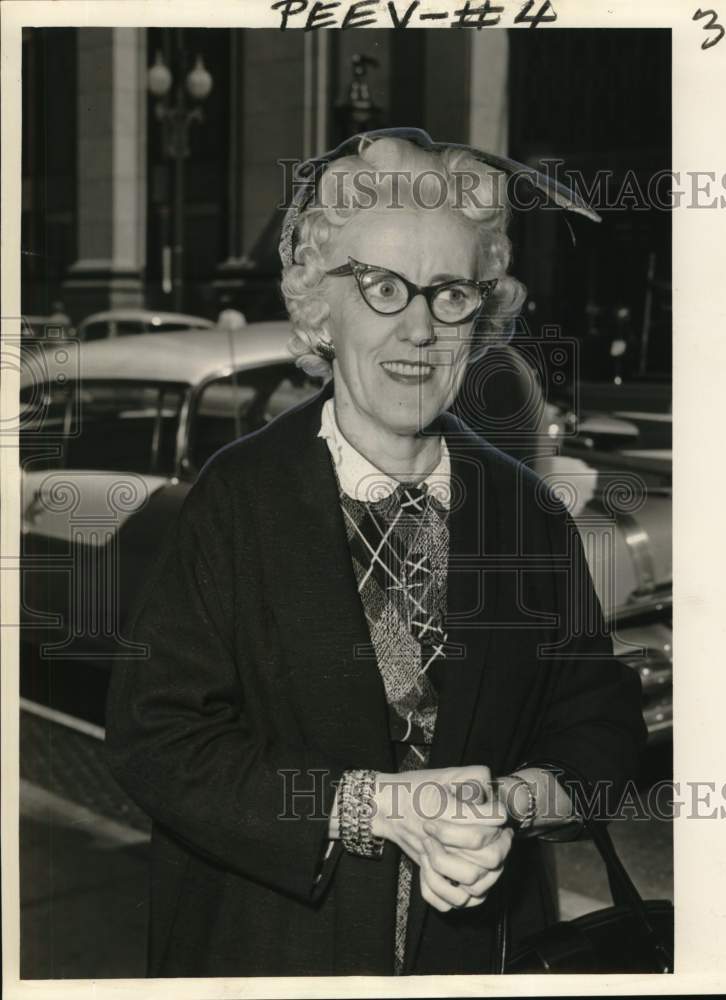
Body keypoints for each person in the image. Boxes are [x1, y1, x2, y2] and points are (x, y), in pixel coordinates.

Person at [105, 129, 646, 978]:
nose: (420, 329)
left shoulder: (525, 514)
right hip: (271, 952)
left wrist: (503, 803)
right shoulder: (235, 499)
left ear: (482, 313)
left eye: (450, 294)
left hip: (475, 958)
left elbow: (603, 727)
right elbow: (156, 737)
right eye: (384, 288)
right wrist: (369, 806)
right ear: (322, 304)